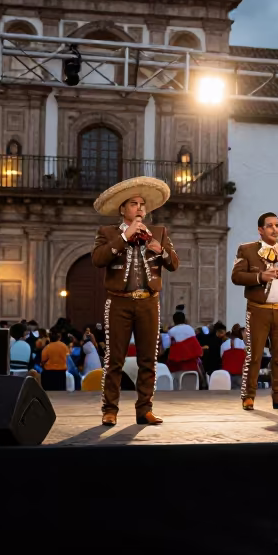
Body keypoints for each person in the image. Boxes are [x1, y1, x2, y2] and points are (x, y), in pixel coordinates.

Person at [92, 176, 179, 427]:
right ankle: (110, 409)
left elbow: (173, 264)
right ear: (122, 209)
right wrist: (125, 237)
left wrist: (158, 248)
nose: (140, 208)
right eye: (133, 203)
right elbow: (98, 260)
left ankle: (145, 409)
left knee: (148, 359)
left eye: (142, 204)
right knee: (114, 359)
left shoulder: (160, 232)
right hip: (118, 302)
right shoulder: (107, 233)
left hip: (148, 301)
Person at [231, 211, 278, 411]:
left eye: (277, 225)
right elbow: (236, 276)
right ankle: (248, 396)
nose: (275, 229)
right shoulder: (246, 250)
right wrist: (259, 277)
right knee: (254, 355)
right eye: (270, 225)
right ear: (260, 230)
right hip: (257, 310)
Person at [166, 309, 204, 375]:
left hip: (178, 364)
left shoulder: (172, 331)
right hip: (192, 363)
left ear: (174, 320)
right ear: (184, 320)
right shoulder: (190, 328)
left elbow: (168, 346)